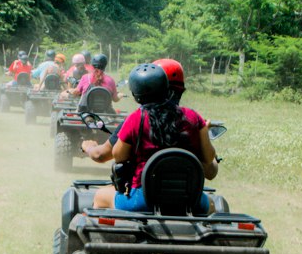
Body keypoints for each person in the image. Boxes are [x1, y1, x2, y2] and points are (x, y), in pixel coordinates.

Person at [81, 61, 218, 213]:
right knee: (211, 205)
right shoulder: (193, 117)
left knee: (100, 196)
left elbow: (118, 156)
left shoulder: (135, 118)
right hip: (189, 200)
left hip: (143, 199)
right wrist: (205, 129)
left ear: (135, 95)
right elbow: (209, 157)